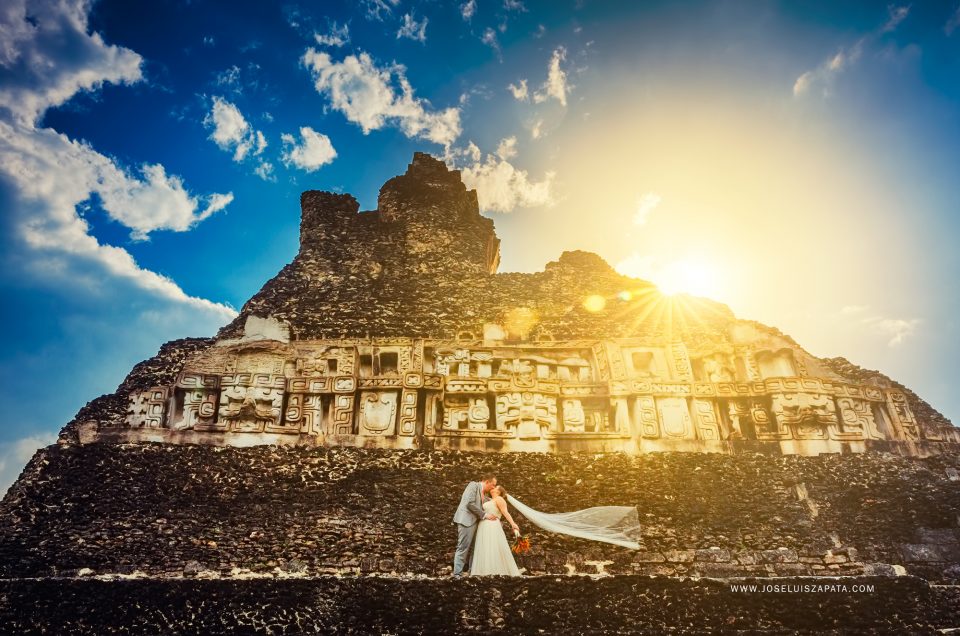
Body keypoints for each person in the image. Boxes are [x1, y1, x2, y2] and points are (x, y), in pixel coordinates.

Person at [451, 472, 498, 577]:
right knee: (463, 547)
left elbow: (487, 502)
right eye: (493, 485)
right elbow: (469, 503)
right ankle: (457, 575)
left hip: (476, 522)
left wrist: (499, 499)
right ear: (487, 482)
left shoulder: (484, 494)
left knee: (475, 548)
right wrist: (485, 515)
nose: (493, 488)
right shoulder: (473, 485)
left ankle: (472, 572)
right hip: (466, 521)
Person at [469, 485, 522, 576]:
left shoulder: (499, 499)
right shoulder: (490, 500)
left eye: (495, 487)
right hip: (484, 525)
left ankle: (494, 571)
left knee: (493, 546)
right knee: (485, 546)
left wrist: (513, 524)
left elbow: (505, 512)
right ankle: (484, 571)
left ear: (499, 491)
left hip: (492, 525)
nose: (492, 487)